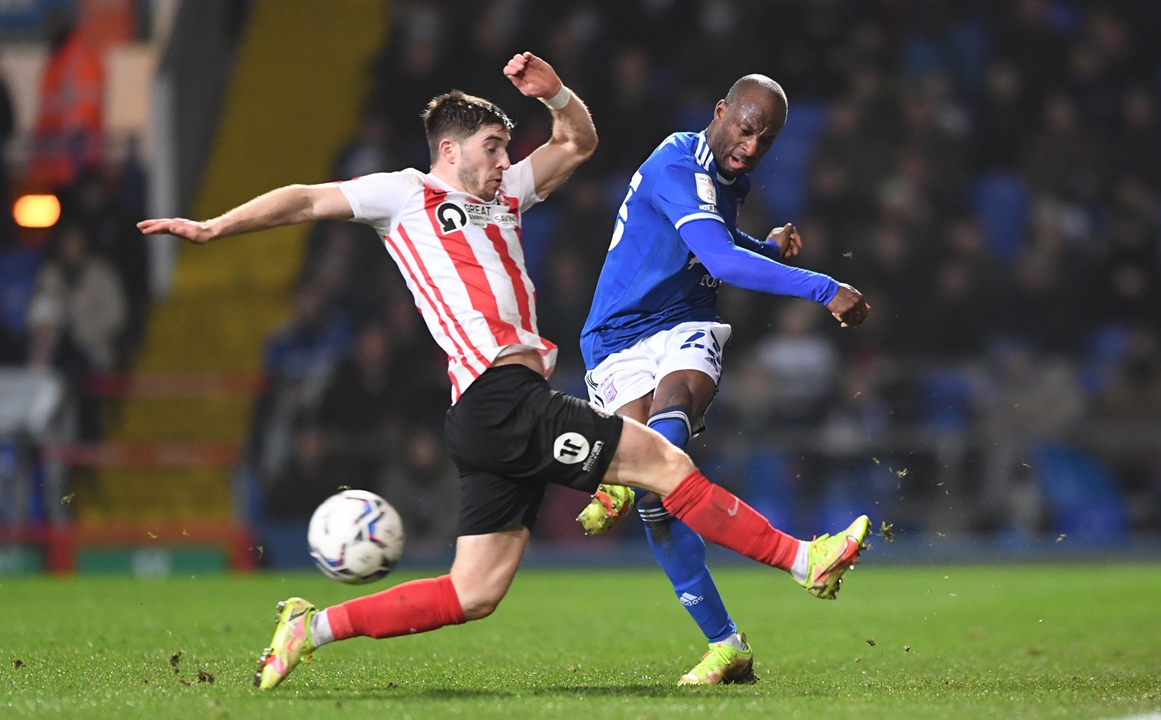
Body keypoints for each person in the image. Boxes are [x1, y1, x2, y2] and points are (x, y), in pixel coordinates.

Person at [138, 54, 870, 690]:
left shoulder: (505, 195)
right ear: (450, 148)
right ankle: (803, 559)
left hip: (487, 416)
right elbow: (304, 199)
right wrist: (212, 227)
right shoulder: (404, 195)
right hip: (500, 396)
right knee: (663, 462)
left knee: (473, 592)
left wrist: (555, 94)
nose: (504, 162)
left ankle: (312, 628)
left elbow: (577, 140)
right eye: (493, 148)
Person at [577, 75, 870, 684]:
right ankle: (727, 645)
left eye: (766, 137)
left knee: (678, 398)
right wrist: (825, 287)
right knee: (657, 502)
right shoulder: (675, 161)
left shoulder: (720, 175)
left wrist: (758, 243)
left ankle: (625, 477)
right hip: (614, 336)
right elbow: (718, 258)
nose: (751, 144)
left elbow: (709, 238)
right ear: (720, 112)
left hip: (683, 320)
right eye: (744, 126)